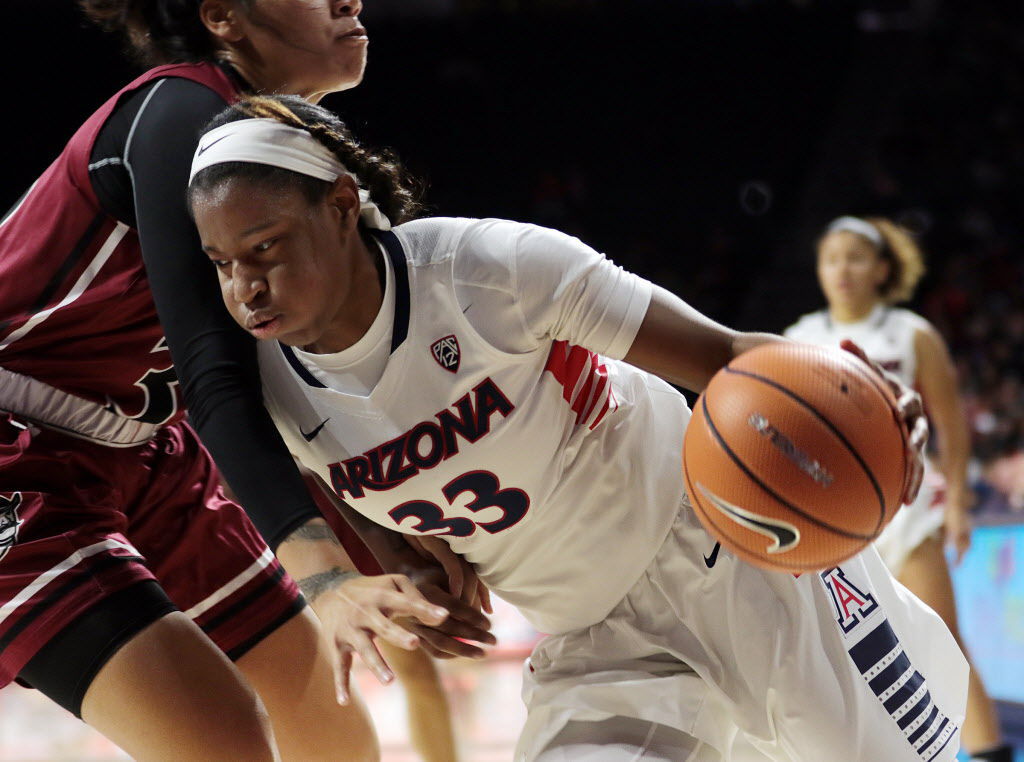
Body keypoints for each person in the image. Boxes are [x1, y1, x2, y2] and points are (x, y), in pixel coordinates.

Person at [187, 93, 971, 762]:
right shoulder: (272, 399)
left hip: (729, 554)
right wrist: (416, 576)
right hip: (592, 639)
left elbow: (725, 355)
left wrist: (861, 399)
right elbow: (364, 509)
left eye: (265, 249)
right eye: (221, 263)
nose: (245, 287)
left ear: (340, 205)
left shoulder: (488, 270)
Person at [0, 1, 485, 759]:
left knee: (335, 731)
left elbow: (284, 384)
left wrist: (383, 532)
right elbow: (212, 371)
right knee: (228, 741)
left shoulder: (284, 149)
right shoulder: (179, 113)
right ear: (224, 15)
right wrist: (326, 578)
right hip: (18, 444)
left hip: (147, 445)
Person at [785, 215, 1012, 762]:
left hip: (905, 508)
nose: (842, 268)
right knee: (846, 654)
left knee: (943, 642)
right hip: (832, 513)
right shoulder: (797, 338)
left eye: (855, 257)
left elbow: (950, 423)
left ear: (882, 269)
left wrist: (956, 501)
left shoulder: (912, 333)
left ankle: (989, 752)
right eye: (831, 258)